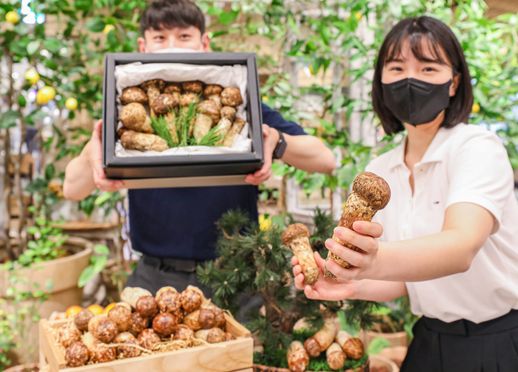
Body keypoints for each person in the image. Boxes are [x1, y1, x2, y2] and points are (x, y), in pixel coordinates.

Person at [64, 0, 335, 297]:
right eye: (159, 38)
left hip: (235, 275)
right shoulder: (127, 112)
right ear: (142, 46)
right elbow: (72, 189)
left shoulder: (244, 108)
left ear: (204, 43)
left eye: (183, 37)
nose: (171, 46)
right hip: (155, 276)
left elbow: (325, 158)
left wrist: (277, 142)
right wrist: (93, 152)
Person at [292, 16, 518, 372]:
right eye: (396, 67)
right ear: (381, 83)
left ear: (454, 82)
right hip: (428, 341)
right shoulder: (382, 170)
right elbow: (406, 280)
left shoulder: (477, 148)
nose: (410, 79)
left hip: (498, 344)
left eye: (429, 68)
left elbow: (461, 247)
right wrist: (350, 284)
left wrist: (374, 260)